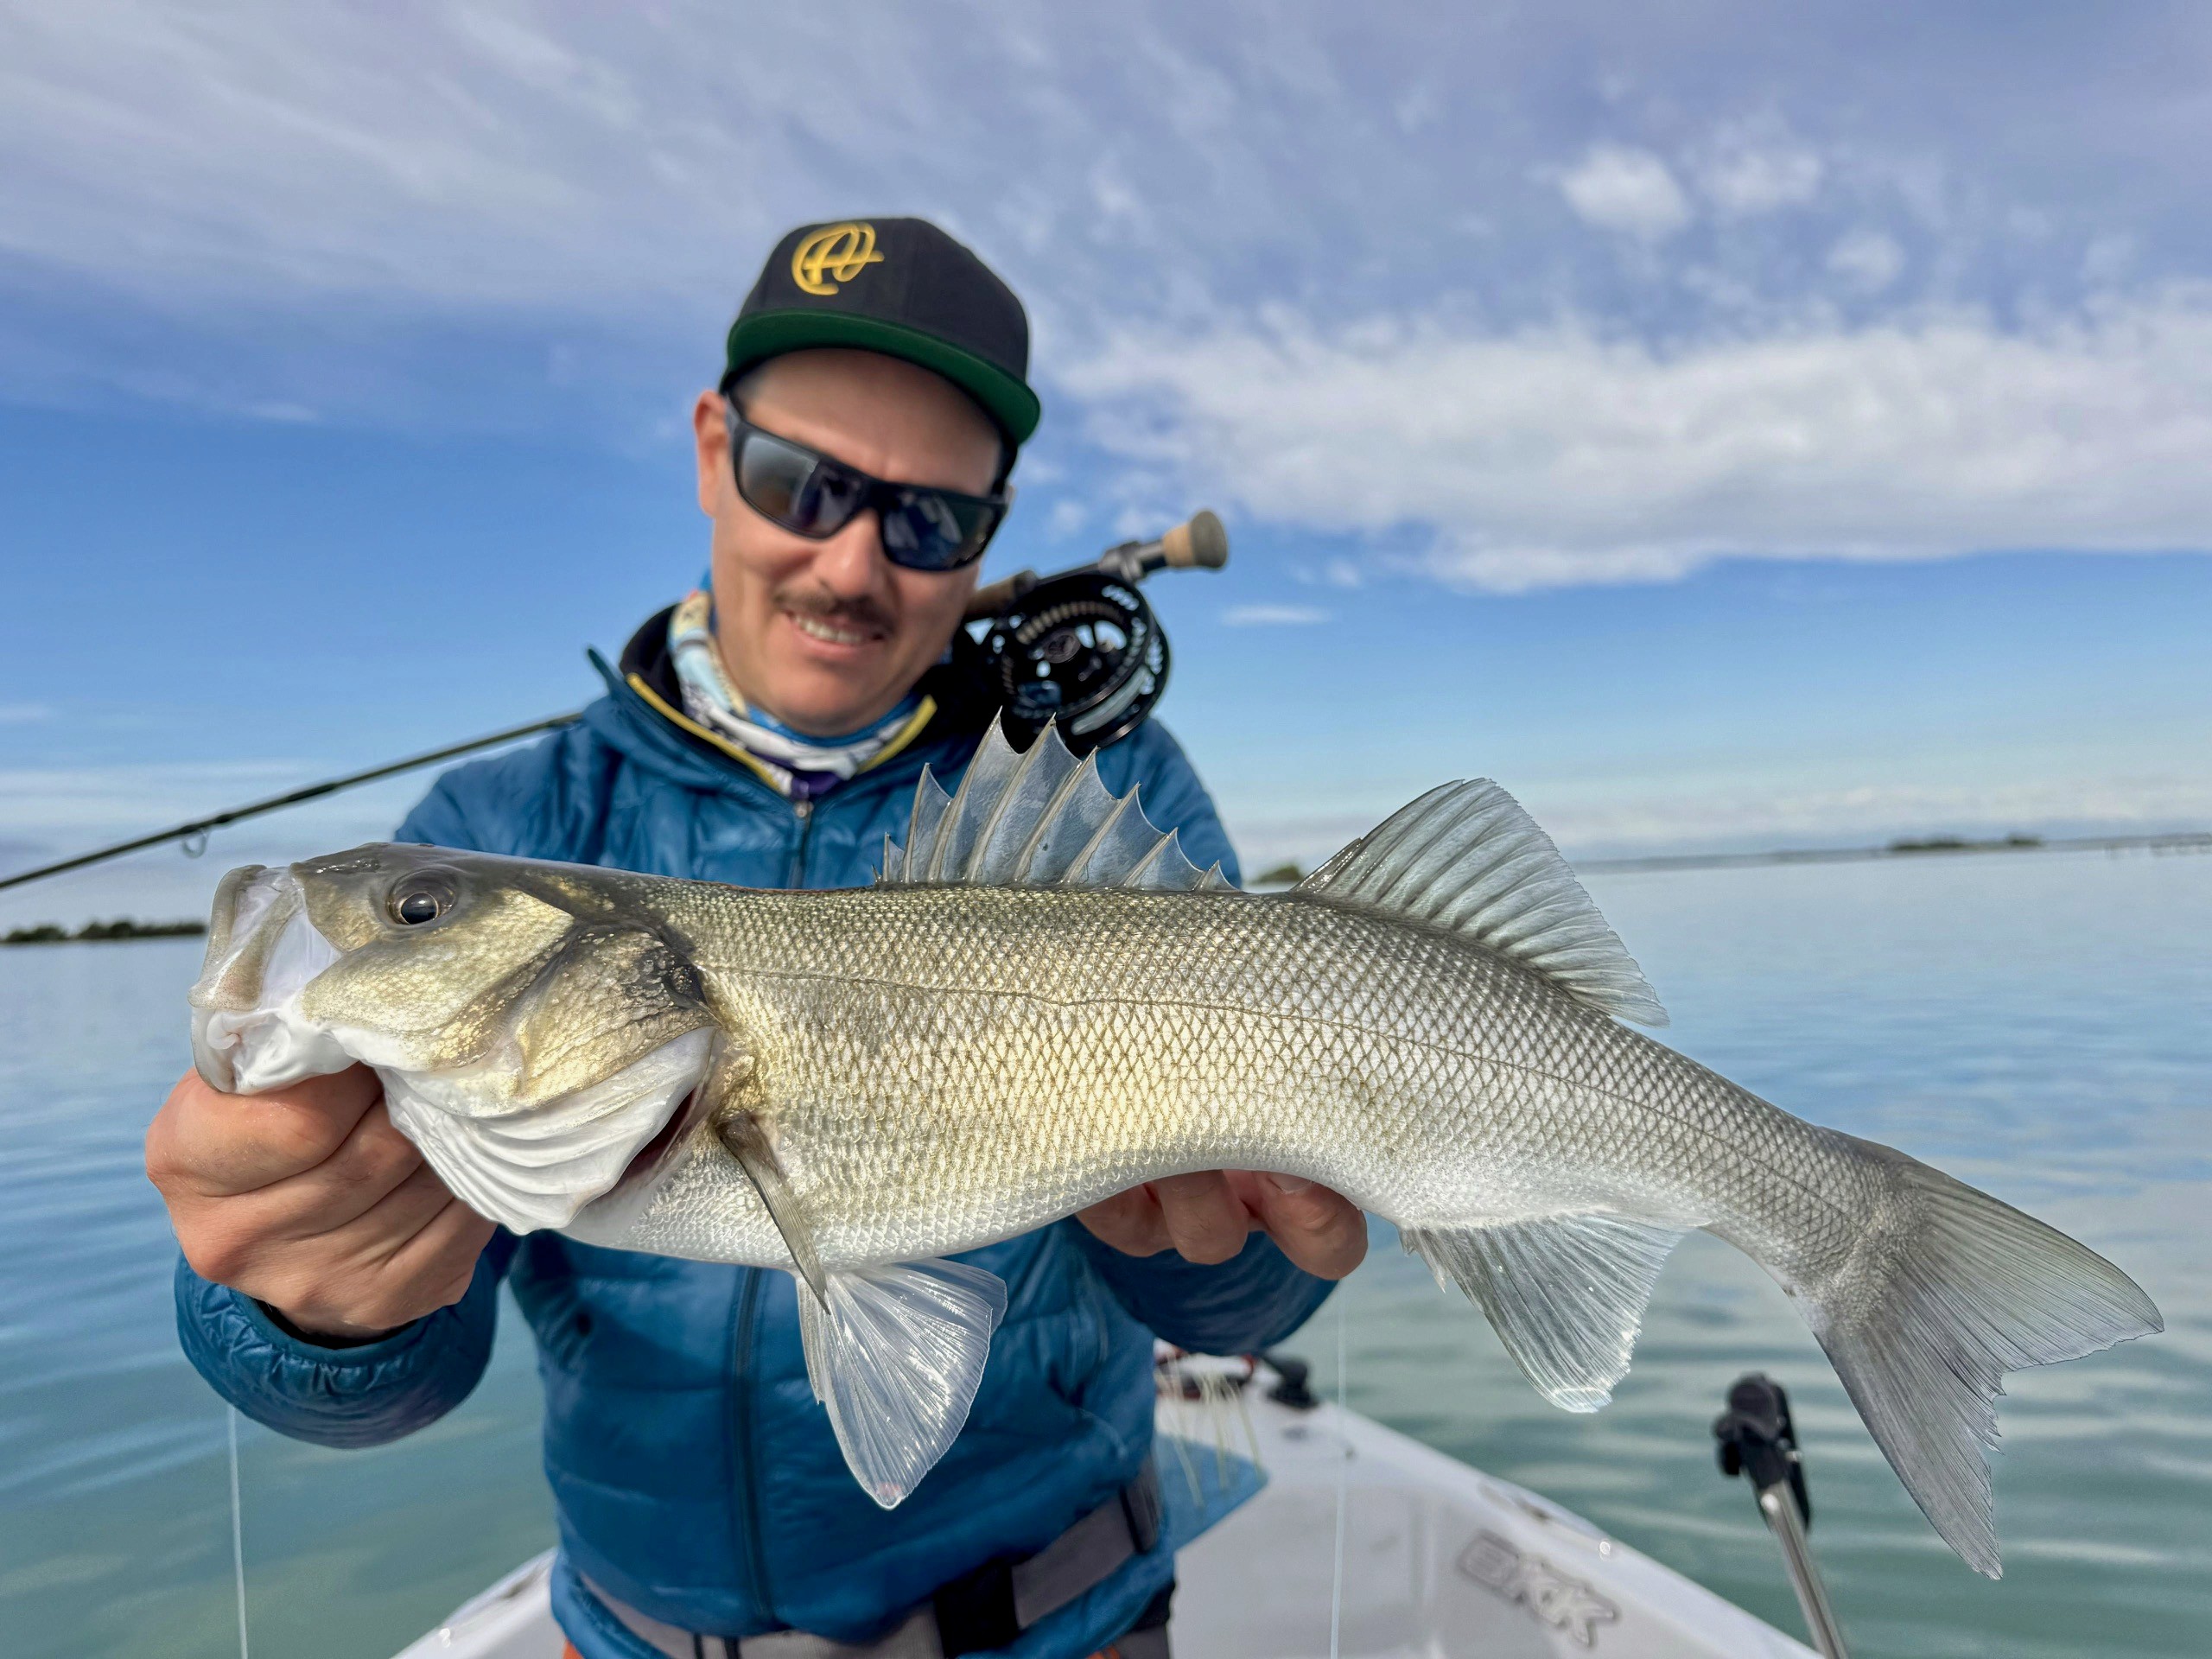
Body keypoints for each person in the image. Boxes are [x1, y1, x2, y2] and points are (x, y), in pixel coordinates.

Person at [147, 218, 1368, 1659]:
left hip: (1068, 1621)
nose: (852, 565)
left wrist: (1225, 1258)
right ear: (714, 444)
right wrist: (307, 1314)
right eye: (806, 483)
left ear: (992, 528)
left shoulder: (1103, 792)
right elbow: (395, 1381)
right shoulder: (504, 819)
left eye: (928, 524)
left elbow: (1247, 1294)